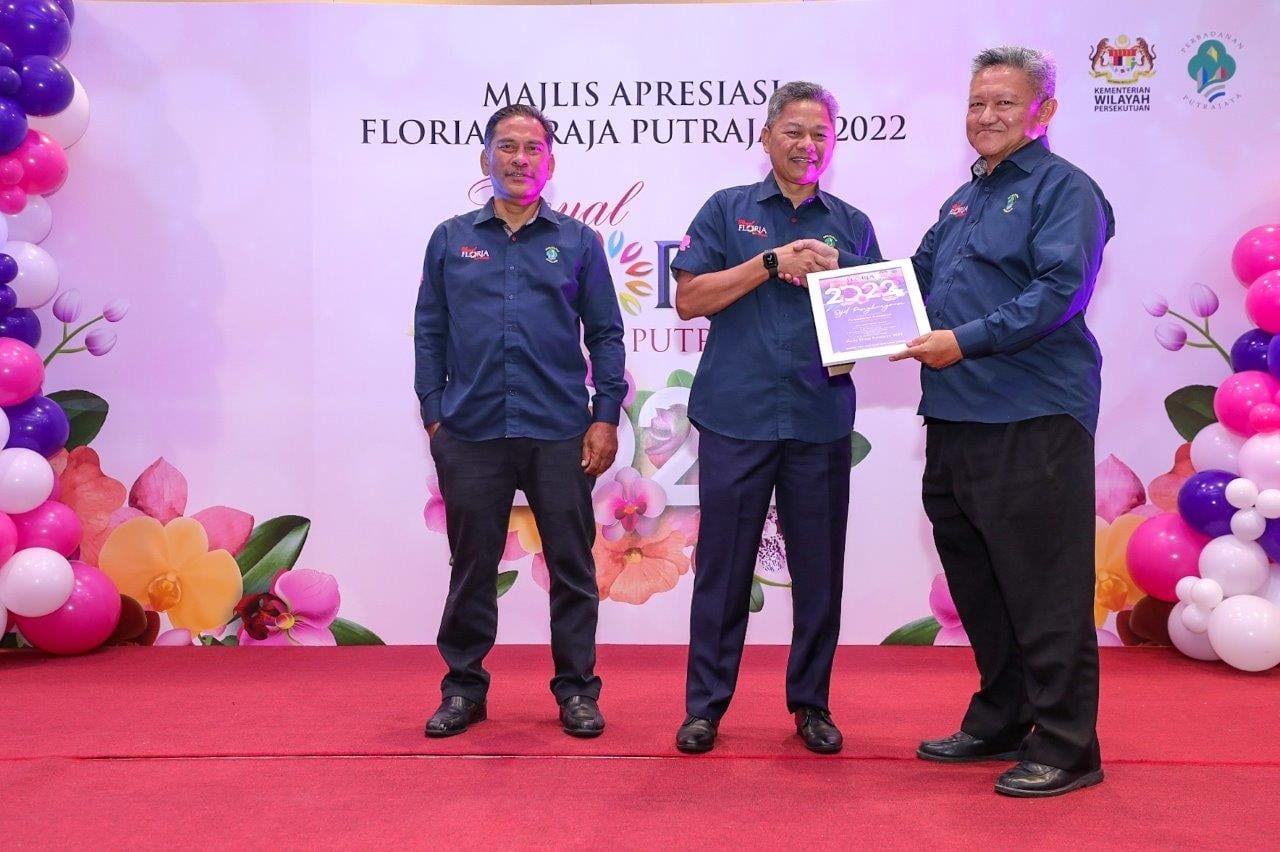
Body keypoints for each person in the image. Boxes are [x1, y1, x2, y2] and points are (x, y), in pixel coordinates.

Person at [890, 46, 1114, 797]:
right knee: (979, 581)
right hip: (954, 412)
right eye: (977, 103)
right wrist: (844, 289)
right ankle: (1003, 715)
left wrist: (964, 340)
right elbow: (916, 281)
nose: (986, 116)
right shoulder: (964, 198)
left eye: (1004, 103)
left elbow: (1060, 290)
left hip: (1032, 411)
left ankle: (1069, 745)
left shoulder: (1064, 188)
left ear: (1043, 111)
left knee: (1044, 585)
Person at [671, 81, 882, 754]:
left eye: (820, 134)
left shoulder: (852, 224)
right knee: (723, 571)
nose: (806, 144)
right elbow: (689, 299)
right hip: (736, 416)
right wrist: (770, 263)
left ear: (833, 144)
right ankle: (705, 708)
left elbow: (878, 323)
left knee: (819, 573)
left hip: (819, 419)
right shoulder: (726, 210)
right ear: (766, 138)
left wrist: (839, 280)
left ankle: (811, 704)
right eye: (793, 131)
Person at [414, 104, 626, 739]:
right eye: (507, 147)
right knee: (472, 568)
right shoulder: (450, 239)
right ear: (485, 159)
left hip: (559, 429)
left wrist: (605, 417)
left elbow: (606, 335)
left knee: (572, 568)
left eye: (533, 149)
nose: (520, 159)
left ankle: (577, 691)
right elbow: (430, 332)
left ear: (550, 163)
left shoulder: (579, 242)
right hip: (471, 430)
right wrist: (434, 416)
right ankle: (463, 689)